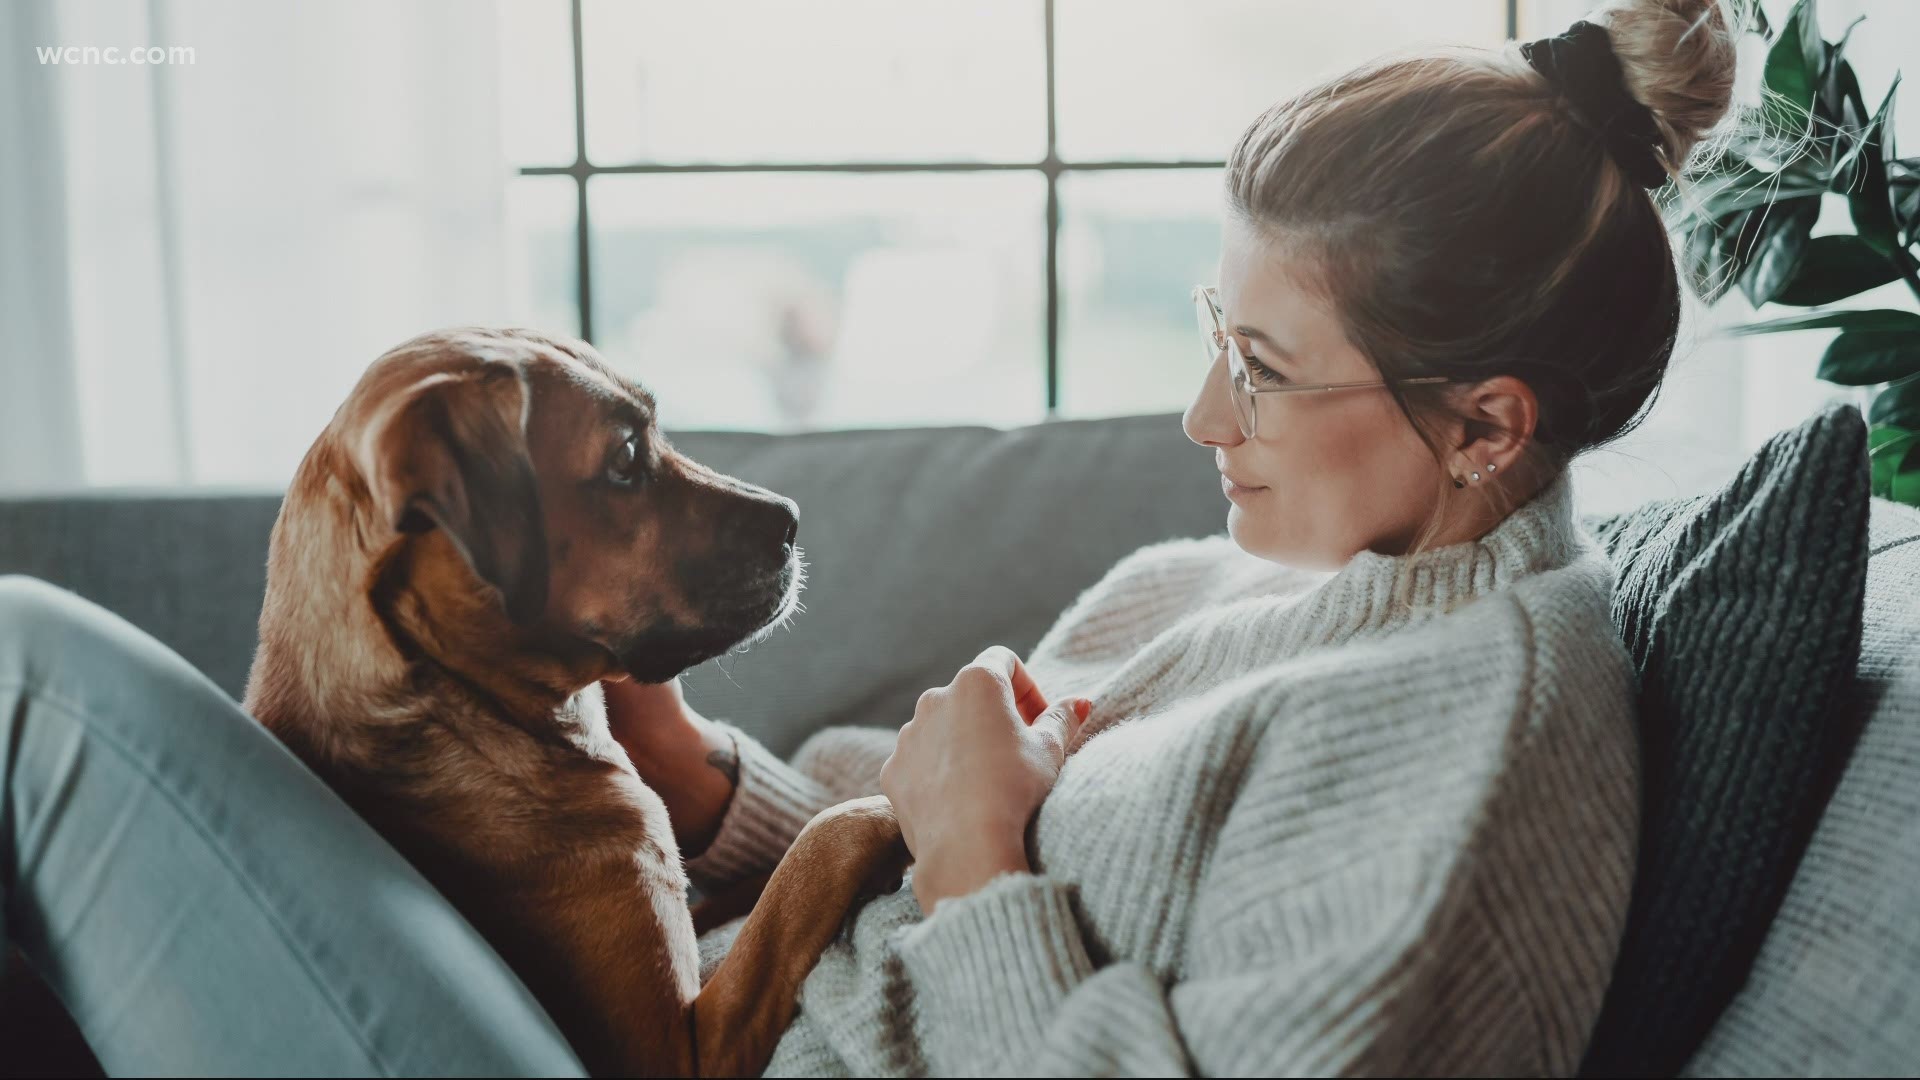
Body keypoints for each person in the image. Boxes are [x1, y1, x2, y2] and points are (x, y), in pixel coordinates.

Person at [0, 1, 1741, 1074]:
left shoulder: (1476, 741)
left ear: (1490, 421)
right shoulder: (1240, 582)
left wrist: (980, 867)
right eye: (1217, 335)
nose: (1203, 420)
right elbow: (887, 818)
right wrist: (705, 792)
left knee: (24, 675)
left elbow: (958, 871)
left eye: (1265, 370)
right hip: (665, 1008)